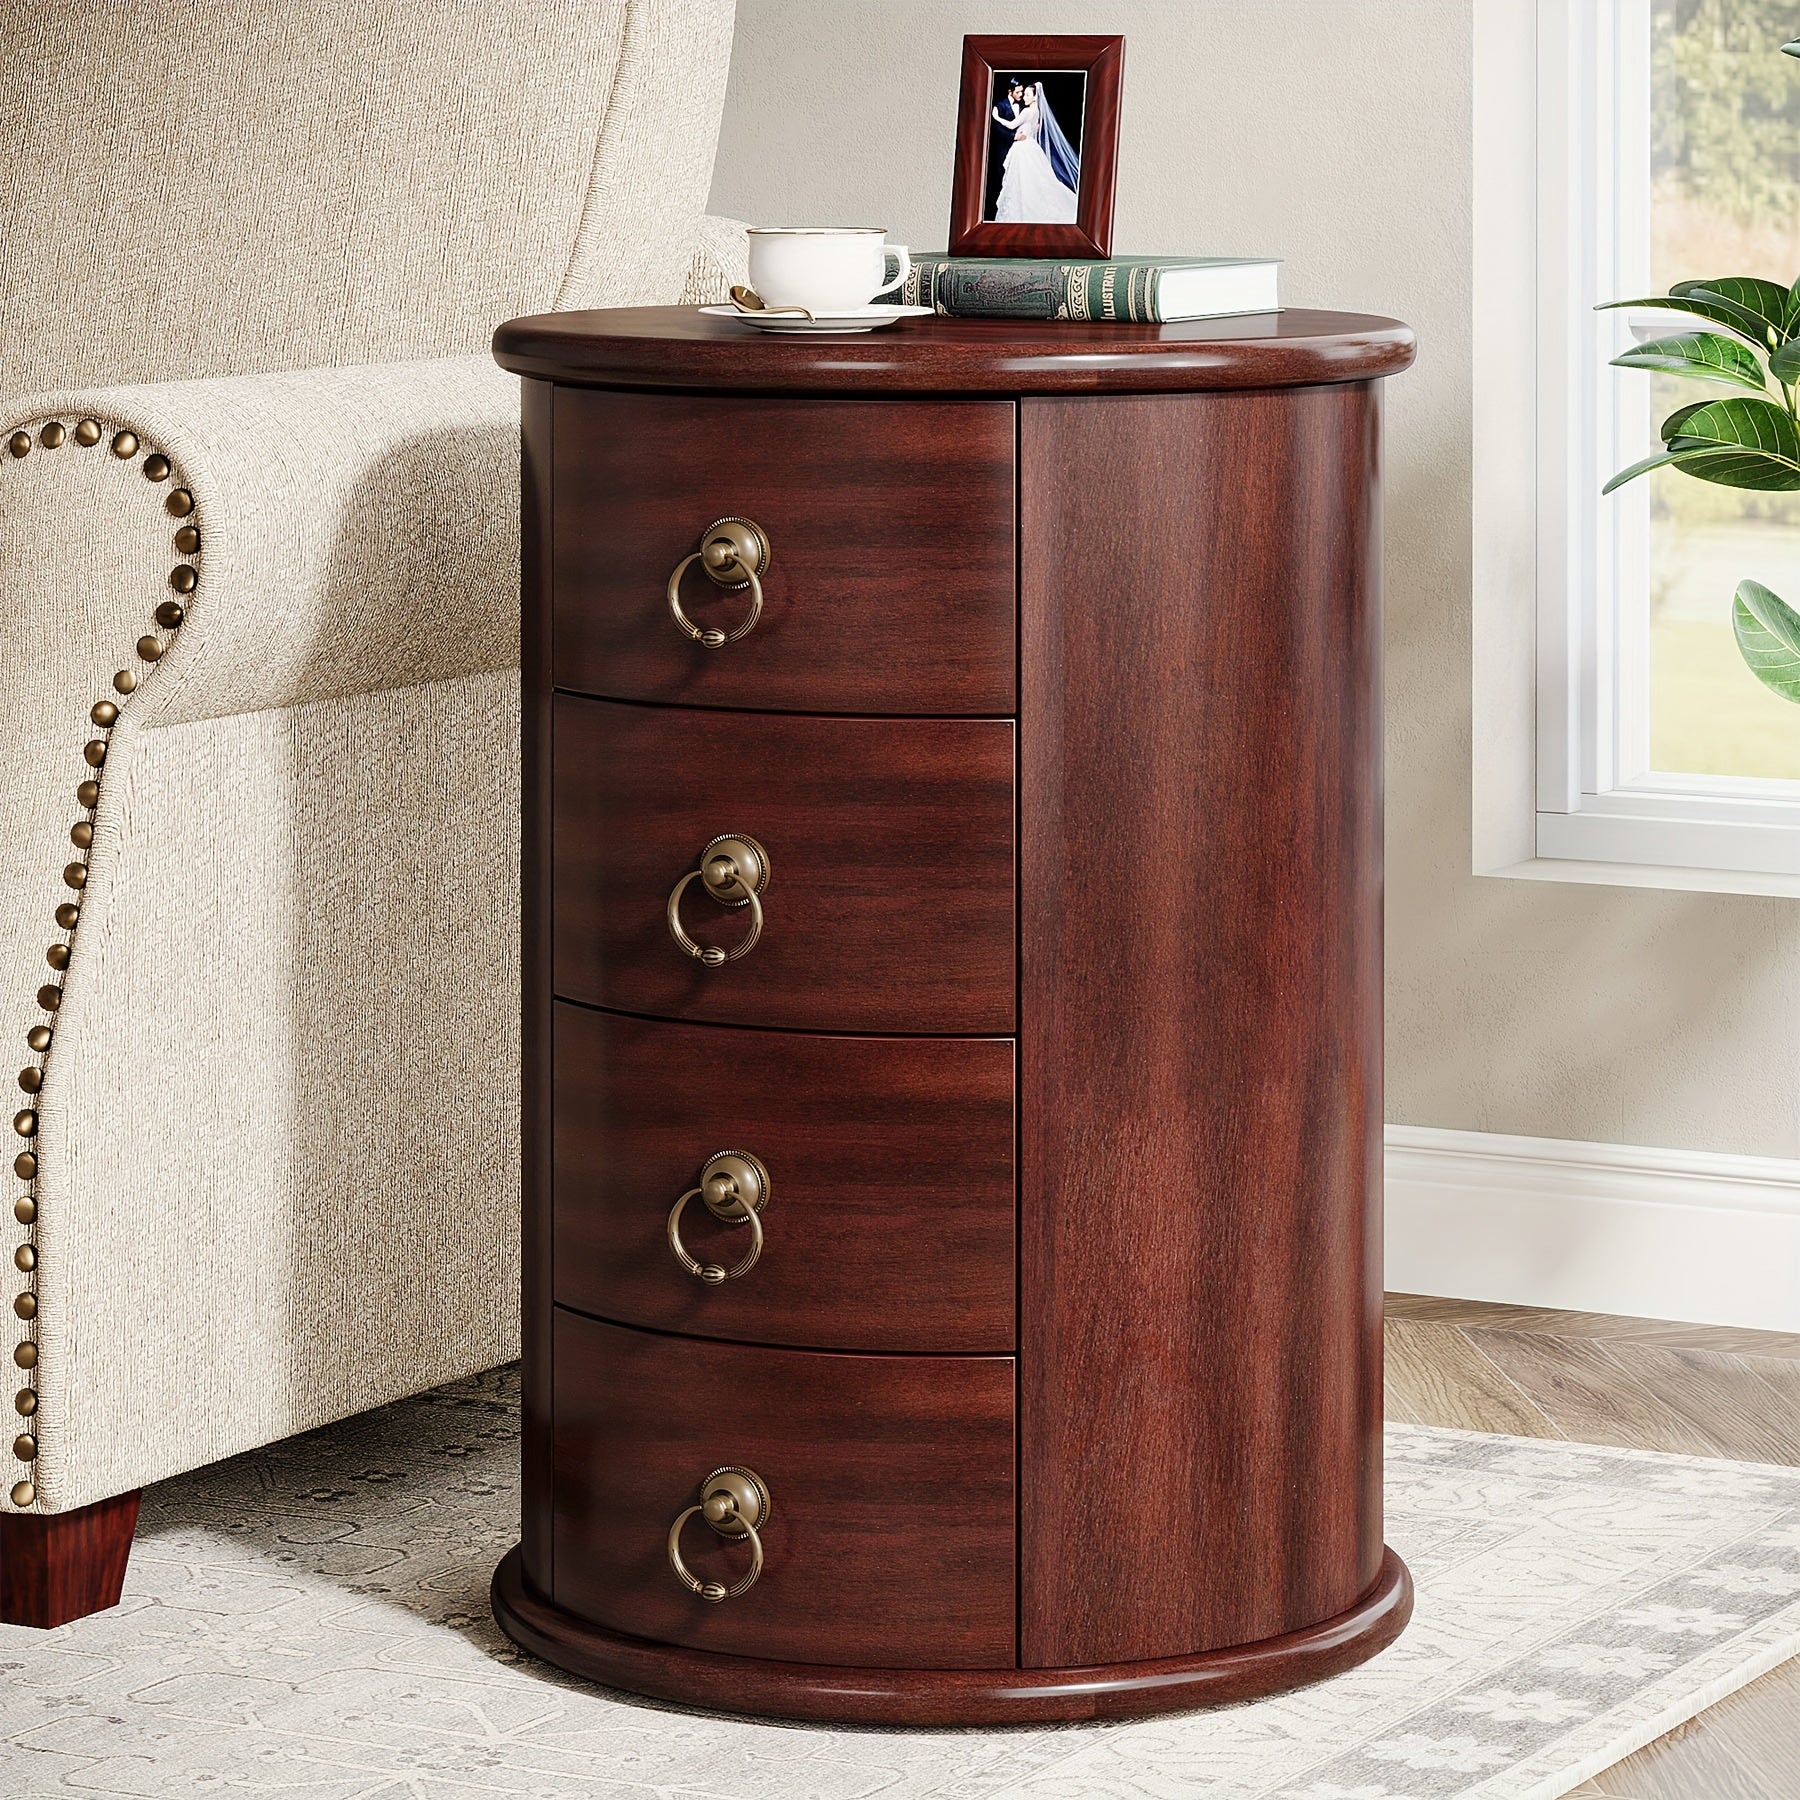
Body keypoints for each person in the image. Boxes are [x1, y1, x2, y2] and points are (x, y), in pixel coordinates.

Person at [990, 80, 1080, 225]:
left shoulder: (1027, 111)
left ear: (1034, 97)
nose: (1024, 97)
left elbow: (1011, 124)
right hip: (1032, 147)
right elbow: (1035, 128)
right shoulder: (1037, 111)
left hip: (1023, 148)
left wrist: (996, 116)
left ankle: (1023, 211)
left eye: (1027, 95)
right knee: (1033, 181)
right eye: (1023, 94)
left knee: (1022, 182)